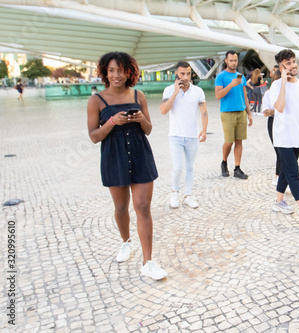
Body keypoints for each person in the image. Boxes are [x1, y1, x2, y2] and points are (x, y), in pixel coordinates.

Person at [87, 51, 167, 281]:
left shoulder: (138, 95)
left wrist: (140, 118)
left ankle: (148, 262)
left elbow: (149, 129)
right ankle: (126, 242)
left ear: (129, 72)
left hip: (140, 155)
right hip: (114, 157)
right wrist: (112, 122)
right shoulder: (96, 100)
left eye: (120, 70)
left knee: (142, 207)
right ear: (104, 72)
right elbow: (94, 136)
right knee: (121, 207)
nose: (116, 75)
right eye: (111, 70)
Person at [268, 49, 299, 224]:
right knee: (293, 173)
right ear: (281, 67)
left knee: (285, 171)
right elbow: (279, 108)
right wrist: (282, 82)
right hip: (282, 137)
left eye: (293, 61)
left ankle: (279, 201)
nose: (292, 65)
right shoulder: (275, 87)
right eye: (287, 63)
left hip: (297, 136)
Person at [160, 61, 208, 209]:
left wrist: (204, 130)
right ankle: (174, 193)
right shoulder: (169, 90)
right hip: (175, 135)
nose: (185, 77)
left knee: (190, 167)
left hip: (192, 136)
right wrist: (175, 92)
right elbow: (163, 110)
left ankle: (188, 195)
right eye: (182, 74)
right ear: (176, 74)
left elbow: (204, 111)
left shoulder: (198, 91)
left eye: (188, 73)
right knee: (178, 167)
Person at [215, 51, 253, 179]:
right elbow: (218, 95)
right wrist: (230, 85)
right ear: (226, 61)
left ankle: (237, 168)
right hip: (227, 113)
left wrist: (249, 113)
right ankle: (224, 162)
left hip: (241, 112)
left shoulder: (240, 77)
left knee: (239, 141)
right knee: (229, 142)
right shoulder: (220, 77)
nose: (234, 63)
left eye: (235, 60)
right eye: (231, 60)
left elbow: (245, 96)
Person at [263, 70, 282, 185]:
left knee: (287, 150)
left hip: (287, 122)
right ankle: (278, 176)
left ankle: (284, 177)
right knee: (279, 151)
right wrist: (279, 110)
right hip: (273, 122)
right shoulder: (268, 93)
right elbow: (266, 112)